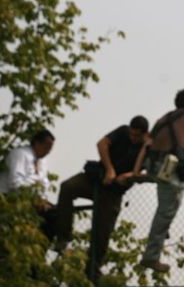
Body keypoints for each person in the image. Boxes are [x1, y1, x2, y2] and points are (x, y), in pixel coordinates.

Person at [54, 115, 149, 283]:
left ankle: (92, 271)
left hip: (113, 193)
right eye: (132, 134)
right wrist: (109, 169)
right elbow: (101, 144)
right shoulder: (122, 131)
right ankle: (63, 236)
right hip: (97, 180)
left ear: (144, 134)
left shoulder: (149, 146)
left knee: (102, 234)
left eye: (137, 136)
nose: (133, 138)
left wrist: (128, 176)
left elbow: (147, 171)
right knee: (67, 187)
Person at [134, 88, 184, 273]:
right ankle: (151, 256)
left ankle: (163, 230)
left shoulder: (163, 118)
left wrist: (136, 171)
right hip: (168, 166)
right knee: (165, 211)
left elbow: (147, 144)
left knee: (169, 206)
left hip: (153, 164)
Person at [0, 129, 57, 239]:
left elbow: (44, 182)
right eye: (46, 148)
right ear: (37, 143)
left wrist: (42, 199)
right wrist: (33, 199)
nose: (48, 151)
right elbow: (14, 182)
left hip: (32, 200)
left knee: (56, 213)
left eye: (50, 149)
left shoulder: (42, 161)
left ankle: (42, 248)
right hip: (10, 198)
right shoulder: (19, 154)